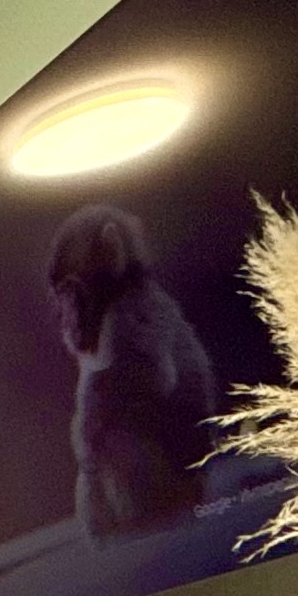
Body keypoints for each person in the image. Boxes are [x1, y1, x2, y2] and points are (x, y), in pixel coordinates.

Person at [45, 203, 218, 538]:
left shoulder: (132, 315)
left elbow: (154, 382)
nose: (67, 314)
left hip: (161, 481)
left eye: (71, 293)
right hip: (152, 486)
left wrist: (97, 418)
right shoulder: (121, 321)